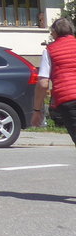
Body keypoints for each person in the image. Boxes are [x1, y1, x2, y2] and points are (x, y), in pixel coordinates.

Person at [31, 17, 76, 147]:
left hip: (68, 100)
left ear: (55, 33)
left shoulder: (50, 51)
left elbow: (43, 83)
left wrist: (37, 110)